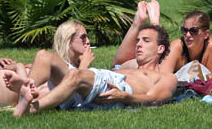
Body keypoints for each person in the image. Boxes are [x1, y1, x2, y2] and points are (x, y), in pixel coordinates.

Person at [11, 24, 178, 116]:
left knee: (75, 75)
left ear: (160, 49)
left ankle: (30, 109)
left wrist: (126, 97)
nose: (138, 44)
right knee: (43, 56)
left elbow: (155, 98)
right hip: (95, 82)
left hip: (115, 88)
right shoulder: (129, 65)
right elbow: (118, 59)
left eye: (146, 41)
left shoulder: (166, 77)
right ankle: (28, 87)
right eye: (138, 40)